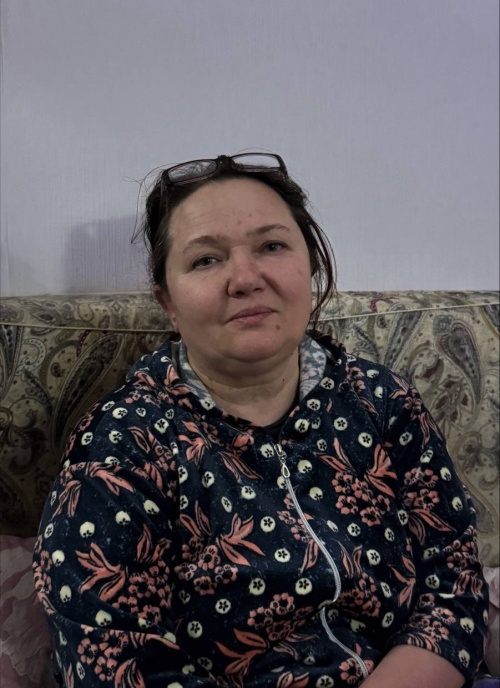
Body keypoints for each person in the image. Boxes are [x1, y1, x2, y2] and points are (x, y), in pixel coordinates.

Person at [33, 153, 489, 688]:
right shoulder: (120, 445)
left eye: (272, 246)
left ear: (309, 266)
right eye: (206, 260)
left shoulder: (384, 401)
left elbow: (454, 586)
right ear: (168, 301)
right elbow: (110, 661)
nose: (246, 279)